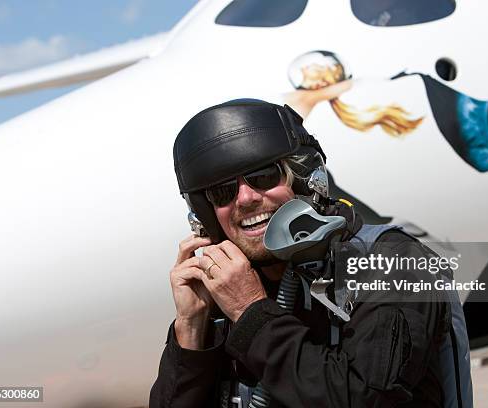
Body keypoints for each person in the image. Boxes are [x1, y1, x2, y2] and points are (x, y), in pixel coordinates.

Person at [150, 99, 454, 408]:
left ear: (304, 177)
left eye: (264, 176)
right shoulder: (225, 288)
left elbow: (367, 398)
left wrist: (250, 312)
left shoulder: (391, 260)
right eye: (222, 192)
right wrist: (190, 328)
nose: (246, 198)